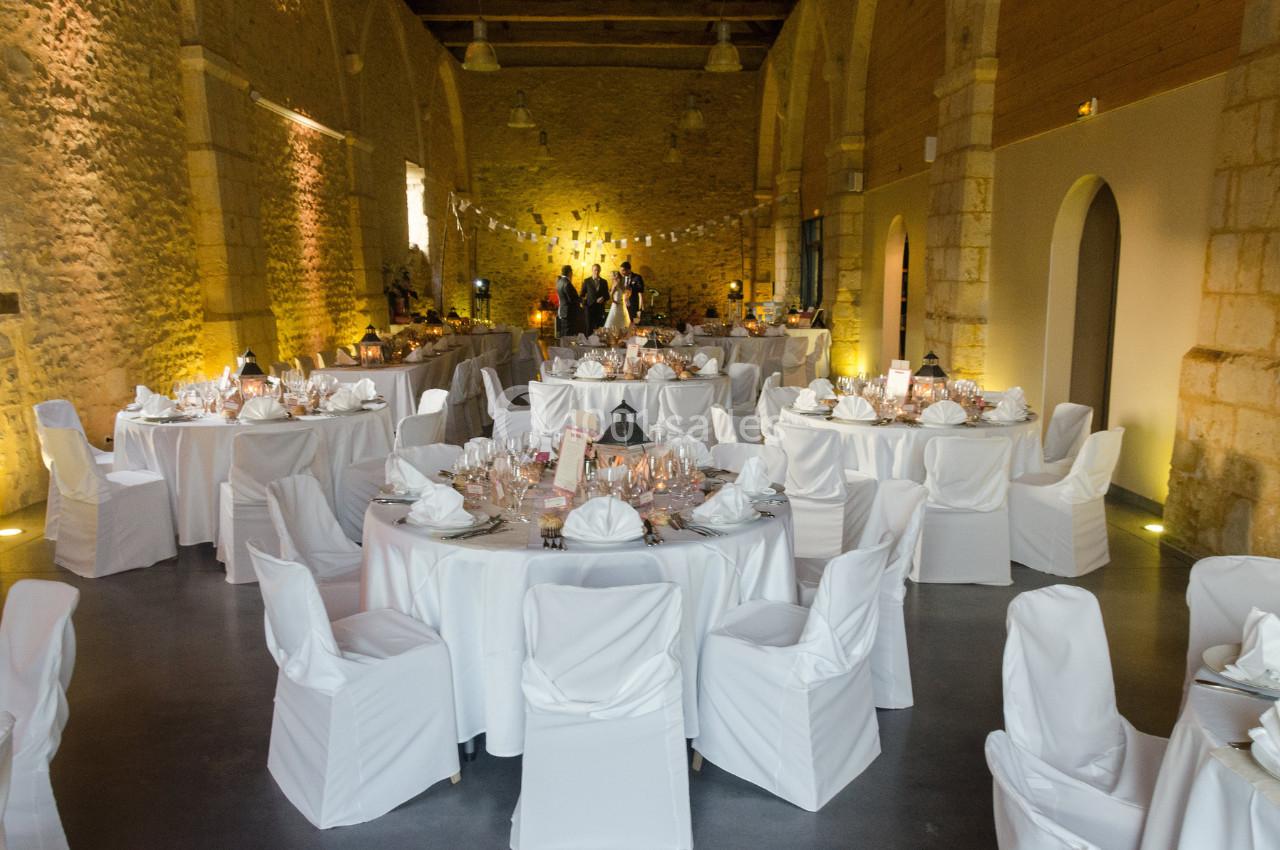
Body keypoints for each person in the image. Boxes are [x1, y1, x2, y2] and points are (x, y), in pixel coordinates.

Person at [554, 265, 582, 337]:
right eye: (572, 272)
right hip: (569, 313)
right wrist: (581, 300)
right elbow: (572, 299)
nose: (572, 274)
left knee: (563, 333)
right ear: (569, 272)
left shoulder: (559, 282)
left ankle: (563, 347)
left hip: (563, 311)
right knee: (568, 335)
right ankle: (566, 348)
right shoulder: (567, 283)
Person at [580, 263, 609, 332]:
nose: (597, 272)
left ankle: (598, 342)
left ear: (600, 271)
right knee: (589, 328)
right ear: (592, 270)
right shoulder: (587, 281)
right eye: (595, 270)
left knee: (599, 328)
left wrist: (603, 298)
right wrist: (583, 304)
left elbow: (607, 296)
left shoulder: (604, 282)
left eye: (598, 270)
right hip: (589, 309)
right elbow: (582, 294)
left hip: (600, 309)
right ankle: (588, 342)